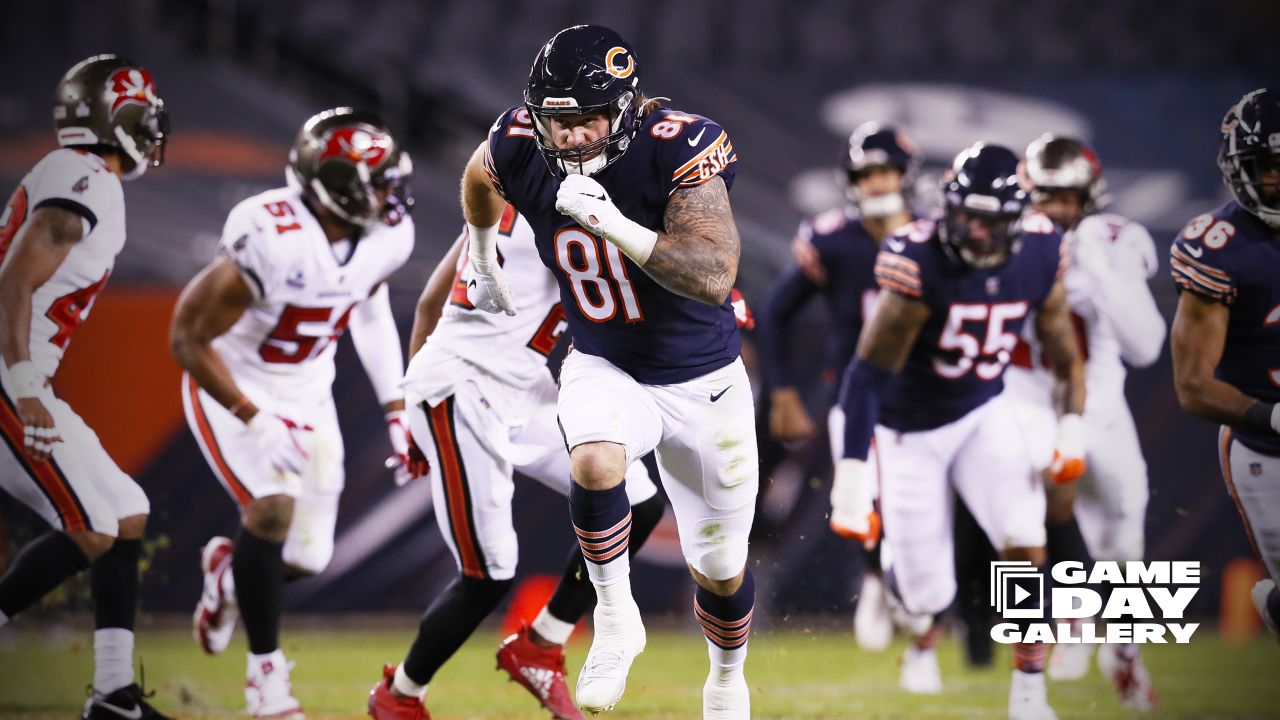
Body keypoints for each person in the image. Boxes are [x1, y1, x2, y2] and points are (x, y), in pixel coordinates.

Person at [449, 24, 757, 717]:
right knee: (594, 461)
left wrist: (615, 223)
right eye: (557, 121)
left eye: (587, 119)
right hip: (604, 360)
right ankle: (615, 618)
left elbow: (713, 274)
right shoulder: (519, 141)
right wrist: (479, 252)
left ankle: (727, 675)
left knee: (721, 566)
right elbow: (477, 174)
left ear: (624, 106)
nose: (571, 136)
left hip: (704, 382)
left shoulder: (680, 142)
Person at [368, 207, 666, 720]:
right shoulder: (567, 209)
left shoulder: (508, 203)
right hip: (462, 387)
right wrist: (418, 405)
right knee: (488, 573)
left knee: (637, 504)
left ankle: (541, 645)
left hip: (519, 388)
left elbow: (427, 306)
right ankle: (401, 694)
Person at [170, 107, 419, 718]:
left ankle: (228, 580)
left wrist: (396, 407)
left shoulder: (386, 235)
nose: (392, 195)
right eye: (378, 181)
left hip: (309, 389)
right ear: (337, 185)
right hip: (234, 383)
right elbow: (187, 337)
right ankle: (267, 682)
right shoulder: (271, 233)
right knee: (272, 509)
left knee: (309, 556)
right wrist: (253, 415)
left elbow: (368, 309)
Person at [832, 143, 1085, 720]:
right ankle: (901, 571)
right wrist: (852, 476)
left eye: (990, 218)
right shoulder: (918, 257)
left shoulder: (1042, 250)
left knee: (1024, 538)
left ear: (1017, 218)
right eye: (965, 215)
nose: (975, 230)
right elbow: (866, 376)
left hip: (982, 411)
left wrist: (1071, 426)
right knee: (928, 596)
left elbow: (1065, 352)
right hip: (909, 431)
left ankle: (1029, 693)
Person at [0, 54, 171, 720]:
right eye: (144, 116)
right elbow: (14, 282)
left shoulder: (81, 175)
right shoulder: (87, 179)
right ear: (117, 119)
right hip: (11, 376)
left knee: (124, 509)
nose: (154, 130)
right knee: (93, 524)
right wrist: (23, 382)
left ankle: (113, 695)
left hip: (21, 375)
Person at [1006, 134, 1165, 708]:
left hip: (1098, 403)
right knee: (1022, 521)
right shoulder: (1005, 238)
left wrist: (1094, 265)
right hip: (1023, 397)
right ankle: (1033, 668)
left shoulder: (1112, 240)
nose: (1056, 209)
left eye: (1067, 197)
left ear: (1089, 196)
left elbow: (1146, 345)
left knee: (1125, 538)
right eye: (1045, 196)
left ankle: (1125, 652)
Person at [761, 122, 919, 652]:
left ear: (905, 176)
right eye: (866, 173)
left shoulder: (934, 236)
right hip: (855, 390)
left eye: (885, 171)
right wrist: (782, 390)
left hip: (927, 393)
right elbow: (778, 313)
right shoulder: (831, 238)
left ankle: (931, 597)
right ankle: (874, 580)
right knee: (858, 491)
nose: (875, 183)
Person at [1171, 87, 1280, 643]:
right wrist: (1273, 417)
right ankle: (1106, 637)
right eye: (1273, 169)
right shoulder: (1220, 246)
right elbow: (1193, 388)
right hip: (1265, 446)